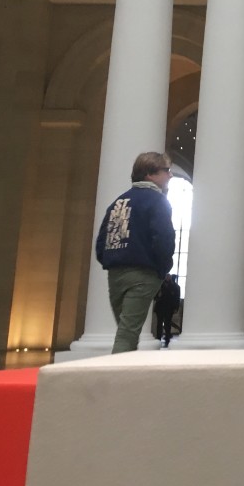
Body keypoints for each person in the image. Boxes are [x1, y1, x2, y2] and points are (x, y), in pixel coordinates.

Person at [94, 151, 176, 354]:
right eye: (166, 170)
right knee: (127, 334)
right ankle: (116, 372)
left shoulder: (118, 202)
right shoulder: (157, 201)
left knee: (126, 329)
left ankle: (124, 369)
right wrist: (162, 268)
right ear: (150, 173)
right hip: (142, 274)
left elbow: (102, 240)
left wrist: (110, 261)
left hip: (115, 274)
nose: (170, 175)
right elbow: (164, 238)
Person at [153, 273, 181, 347]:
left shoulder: (175, 287)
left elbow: (177, 298)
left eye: (169, 277)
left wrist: (176, 308)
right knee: (159, 324)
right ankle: (158, 338)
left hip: (169, 308)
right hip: (160, 307)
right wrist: (158, 296)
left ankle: (167, 338)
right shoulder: (159, 285)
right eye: (166, 277)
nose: (167, 278)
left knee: (167, 324)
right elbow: (155, 296)